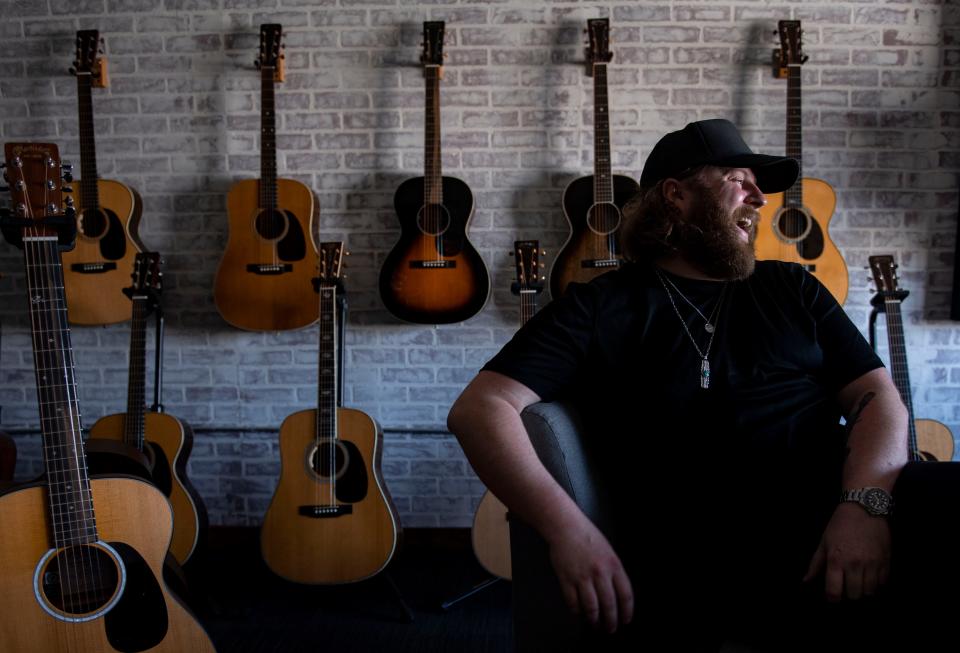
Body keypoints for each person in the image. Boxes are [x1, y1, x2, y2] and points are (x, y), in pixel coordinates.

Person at [447, 119, 910, 651]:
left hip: (837, 522)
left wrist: (864, 506)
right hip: (700, 565)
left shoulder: (792, 287)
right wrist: (567, 530)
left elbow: (879, 400)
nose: (759, 198)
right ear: (677, 195)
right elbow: (480, 408)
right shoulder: (602, 304)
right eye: (739, 178)